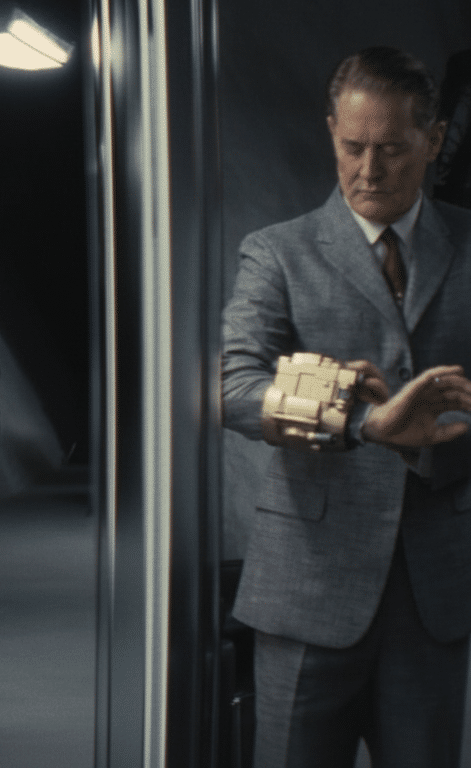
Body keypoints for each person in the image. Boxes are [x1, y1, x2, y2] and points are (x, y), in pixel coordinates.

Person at [221, 46, 471, 767]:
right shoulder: (276, 252)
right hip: (306, 588)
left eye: (392, 149)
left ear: (435, 139)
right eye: (352, 146)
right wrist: (361, 422)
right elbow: (233, 389)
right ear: (331, 130)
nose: (369, 170)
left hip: (436, 594)